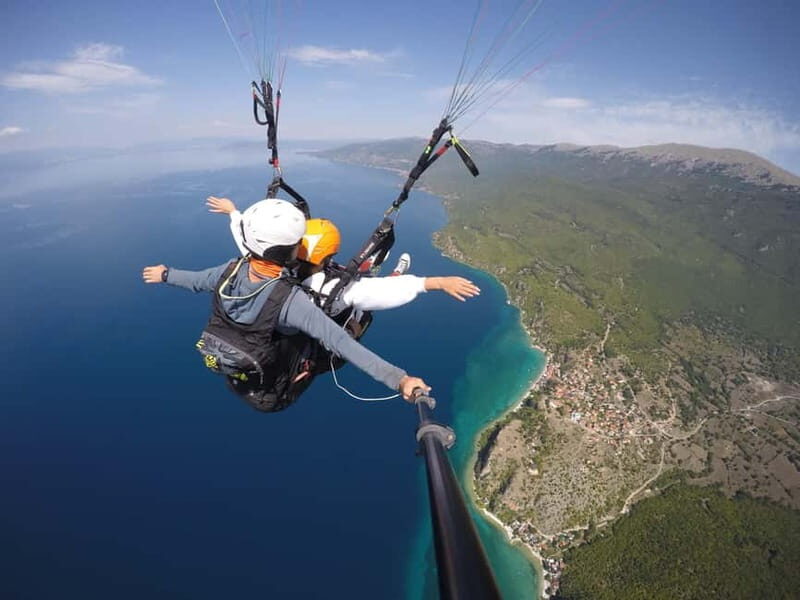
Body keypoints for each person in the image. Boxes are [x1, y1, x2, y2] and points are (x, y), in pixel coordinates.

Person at [142, 198, 429, 412]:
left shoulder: (230, 271)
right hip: (281, 387)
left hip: (243, 378)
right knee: (355, 316)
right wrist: (399, 380)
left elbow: (196, 280)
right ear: (291, 251)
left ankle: (379, 283)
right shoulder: (291, 303)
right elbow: (341, 343)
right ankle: (384, 283)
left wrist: (165, 274)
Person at [206, 196, 481, 318]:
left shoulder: (270, 266)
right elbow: (387, 292)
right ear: (329, 253)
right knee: (362, 292)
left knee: (358, 278)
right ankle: (389, 270)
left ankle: (374, 268)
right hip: (338, 317)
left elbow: (248, 241)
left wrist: (234, 213)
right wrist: (435, 283)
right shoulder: (336, 290)